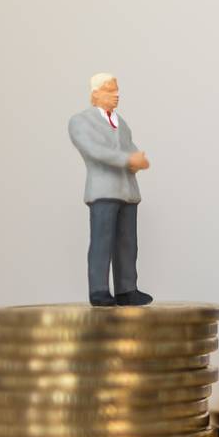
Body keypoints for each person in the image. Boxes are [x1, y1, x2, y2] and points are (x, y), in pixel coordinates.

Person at [68, 73, 153, 306]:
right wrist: (128, 159)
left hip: (128, 190)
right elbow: (94, 151)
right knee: (102, 240)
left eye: (117, 90)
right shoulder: (80, 121)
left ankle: (127, 288)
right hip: (103, 190)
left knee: (128, 242)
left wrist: (139, 160)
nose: (116, 95)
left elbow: (130, 146)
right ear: (95, 94)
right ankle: (99, 289)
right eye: (109, 91)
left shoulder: (121, 122)